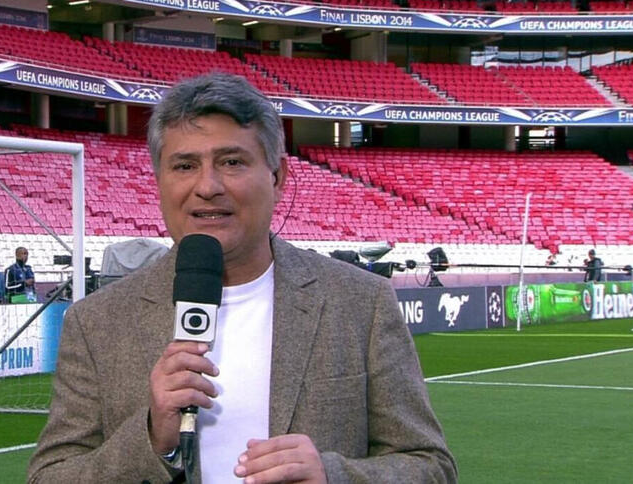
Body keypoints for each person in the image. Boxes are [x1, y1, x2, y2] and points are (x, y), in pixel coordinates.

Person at [28, 73, 457, 483]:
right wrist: (152, 439)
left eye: (232, 162)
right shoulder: (97, 322)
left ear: (277, 176)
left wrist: (334, 475)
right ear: (159, 181)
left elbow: (429, 467)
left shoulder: (361, 303)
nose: (207, 186)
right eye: (184, 166)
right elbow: (51, 476)